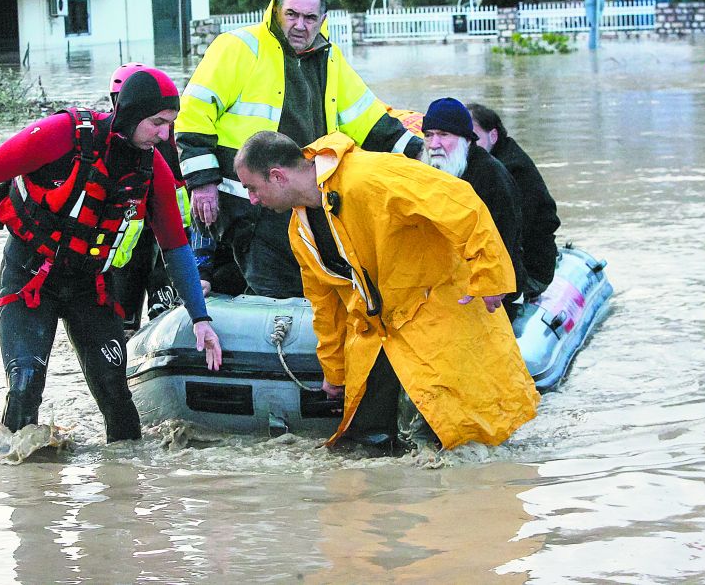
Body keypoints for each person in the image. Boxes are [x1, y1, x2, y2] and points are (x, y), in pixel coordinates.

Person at [0, 68, 222, 442]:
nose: (166, 134)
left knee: (117, 399)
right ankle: (22, 484)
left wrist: (200, 318)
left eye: (170, 124)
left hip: (90, 287)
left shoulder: (154, 170)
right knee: (24, 386)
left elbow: (175, 247)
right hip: (30, 277)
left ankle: (125, 488)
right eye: (157, 123)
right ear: (131, 115)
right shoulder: (61, 135)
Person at [233, 131, 540, 452]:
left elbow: (459, 200)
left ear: (277, 176)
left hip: (440, 319)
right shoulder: (301, 231)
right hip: (382, 334)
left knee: (454, 437)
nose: (252, 199)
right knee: (364, 445)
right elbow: (326, 306)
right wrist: (334, 371)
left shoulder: (371, 177)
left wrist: (491, 275)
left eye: (252, 188)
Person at [176, 0, 423, 298]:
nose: (299, 25)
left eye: (309, 18)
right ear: (276, 10)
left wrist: (423, 157)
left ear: (322, 19)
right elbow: (194, 112)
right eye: (291, 14)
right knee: (273, 286)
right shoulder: (239, 47)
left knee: (309, 285)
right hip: (249, 202)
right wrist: (202, 182)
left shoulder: (330, 60)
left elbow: (372, 122)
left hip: (306, 198)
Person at [421, 98, 527, 321]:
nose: (433, 144)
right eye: (428, 135)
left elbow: (505, 238)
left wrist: (491, 283)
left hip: (492, 291)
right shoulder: (428, 172)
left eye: (443, 134)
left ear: (466, 140)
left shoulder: (491, 176)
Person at [108, 63, 190, 331]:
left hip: (165, 240)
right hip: (127, 247)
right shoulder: (109, 142)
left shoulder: (166, 136)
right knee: (124, 321)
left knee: (164, 313)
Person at [467, 102, 560, 301]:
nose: (468, 143)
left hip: (530, 272)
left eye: (474, 137)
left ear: (493, 135)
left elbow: (511, 234)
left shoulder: (507, 171)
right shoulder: (498, 159)